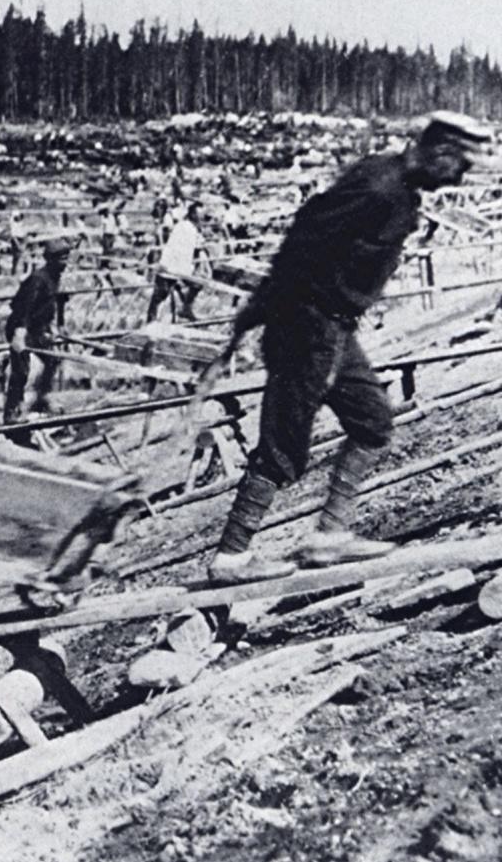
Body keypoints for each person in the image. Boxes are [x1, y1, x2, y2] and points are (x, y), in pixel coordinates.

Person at [197, 112, 491, 585]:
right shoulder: (377, 187)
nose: (460, 177)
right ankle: (231, 557)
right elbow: (303, 241)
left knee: (372, 421)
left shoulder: (398, 189)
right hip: (305, 324)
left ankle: (328, 536)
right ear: (441, 152)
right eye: (460, 165)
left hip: (335, 329)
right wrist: (259, 310)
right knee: (284, 442)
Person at [2, 237, 73, 425]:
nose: (64, 263)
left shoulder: (55, 278)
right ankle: (12, 411)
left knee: (52, 359)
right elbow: (22, 308)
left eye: (66, 258)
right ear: (50, 259)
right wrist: (19, 334)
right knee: (21, 371)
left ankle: (42, 398)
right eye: (60, 259)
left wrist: (56, 326)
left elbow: (55, 303)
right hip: (20, 327)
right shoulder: (38, 279)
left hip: (37, 328)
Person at [147, 202, 206, 323]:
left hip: (182, 267)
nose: (202, 217)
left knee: (197, 283)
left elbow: (194, 249)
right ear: (193, 214)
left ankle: (186, 308)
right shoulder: (183, 227)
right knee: (160, 295)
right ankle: (150, 321)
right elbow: (176, 249)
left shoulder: (193, 229)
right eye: (199, 214)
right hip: (170, 266)